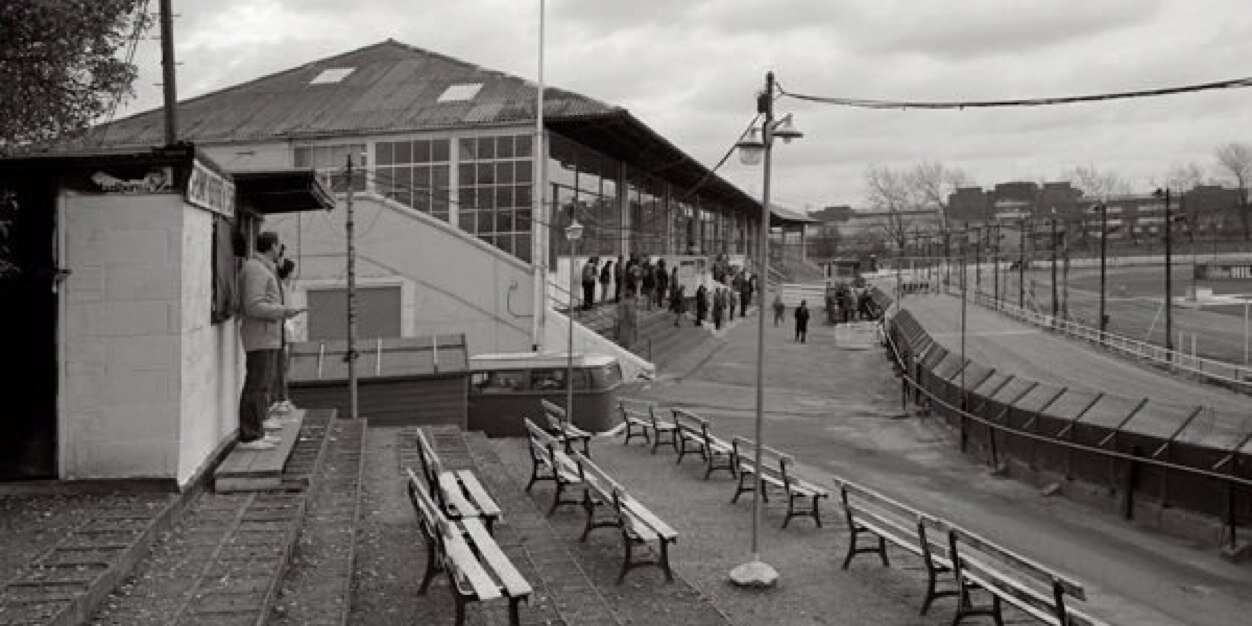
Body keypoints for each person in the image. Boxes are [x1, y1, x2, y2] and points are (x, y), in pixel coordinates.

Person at [238, 232, 304, 450]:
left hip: (268, 335)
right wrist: (284, 311)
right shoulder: (255, 269)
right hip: (260, 335)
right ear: (273, 247)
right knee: (256, 385)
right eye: (279, 246)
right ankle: (250, 435)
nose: (280, 251)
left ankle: (259, 427)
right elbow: (253, 305)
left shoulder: (264, 268)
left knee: (263, 385)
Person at [269, 250, 298, 416]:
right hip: (283, 333)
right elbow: (286, 312)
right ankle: (280, 399)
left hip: (284, 332)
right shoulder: (281, 289)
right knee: (281, 368)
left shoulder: (281, 287)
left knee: (282, 368)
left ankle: (281, 398)